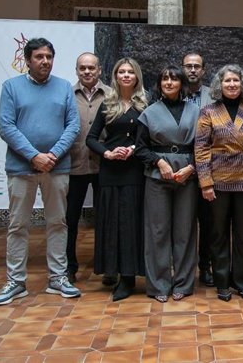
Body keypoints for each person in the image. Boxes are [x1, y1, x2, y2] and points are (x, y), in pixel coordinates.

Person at [0, 37, 81, 306]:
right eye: (39, 57)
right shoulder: (11, 87)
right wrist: (34, 156)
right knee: (18, 225)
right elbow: (7, 126)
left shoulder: (64, 87)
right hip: (21, 168)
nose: (45, 61)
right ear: (28, 60)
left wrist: (52, 155)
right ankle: (16, 282)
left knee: (57, 223)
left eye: (49, 57)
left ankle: (58, 279)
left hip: (57, 167)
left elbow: (73, 126)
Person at [195, 64, 243, 302]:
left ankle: (241, 281)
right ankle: (221, 282)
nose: (231, 85)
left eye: (236, 81)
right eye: (227, 81)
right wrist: (205, 183)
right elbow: (200, 148)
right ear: (220, 85)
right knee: (218, 234)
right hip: (217, 183)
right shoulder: (208, 111)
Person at [136, 65, 200, 303]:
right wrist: (158, 162)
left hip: (187, 175)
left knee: (185, 231)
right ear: (160, 83)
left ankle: (183, 283)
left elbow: (204, 145)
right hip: (157, 177)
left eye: (174, 79)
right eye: (165, 78)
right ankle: (159, 285)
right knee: (158, 231)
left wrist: (192, 168)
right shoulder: (149, 112)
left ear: (182, 83)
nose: (169, 82)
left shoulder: (196, 111)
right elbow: (140, 147)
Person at [86, 57, 147, 301]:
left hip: (134, 171)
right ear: (115, 76)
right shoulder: (106, 104)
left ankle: (129, 278)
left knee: (130, 223)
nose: (125, 75)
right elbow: (91, 138)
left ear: (137, 77)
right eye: (121, 72)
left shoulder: (145, 104)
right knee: (111, 222)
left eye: (130, 72)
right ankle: (112, 271)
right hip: (110, 172)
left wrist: (133, 148)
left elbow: (149, 139)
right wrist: (107, 153)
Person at [65, 52, 110, 284]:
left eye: (91, 68)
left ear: (100, 70)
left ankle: (107, 267)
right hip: (74, 165)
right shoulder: (66, 95)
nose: (87, 72)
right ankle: (69, 266)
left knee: (106, 219)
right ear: (76, 71)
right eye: (82, 68)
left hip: (106, 166)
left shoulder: (111, 95)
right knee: (70, 219)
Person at [181, 51, 215, 287]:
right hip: (179, 168)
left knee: (209, 222)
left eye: (197, 66)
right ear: (182, 69)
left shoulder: (214, 97)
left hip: (209, 168)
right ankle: (183, 269)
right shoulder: (172, 92)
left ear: (203, 70)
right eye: (188, 66)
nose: (192, 70)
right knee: (182, 222)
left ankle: (206, 267)